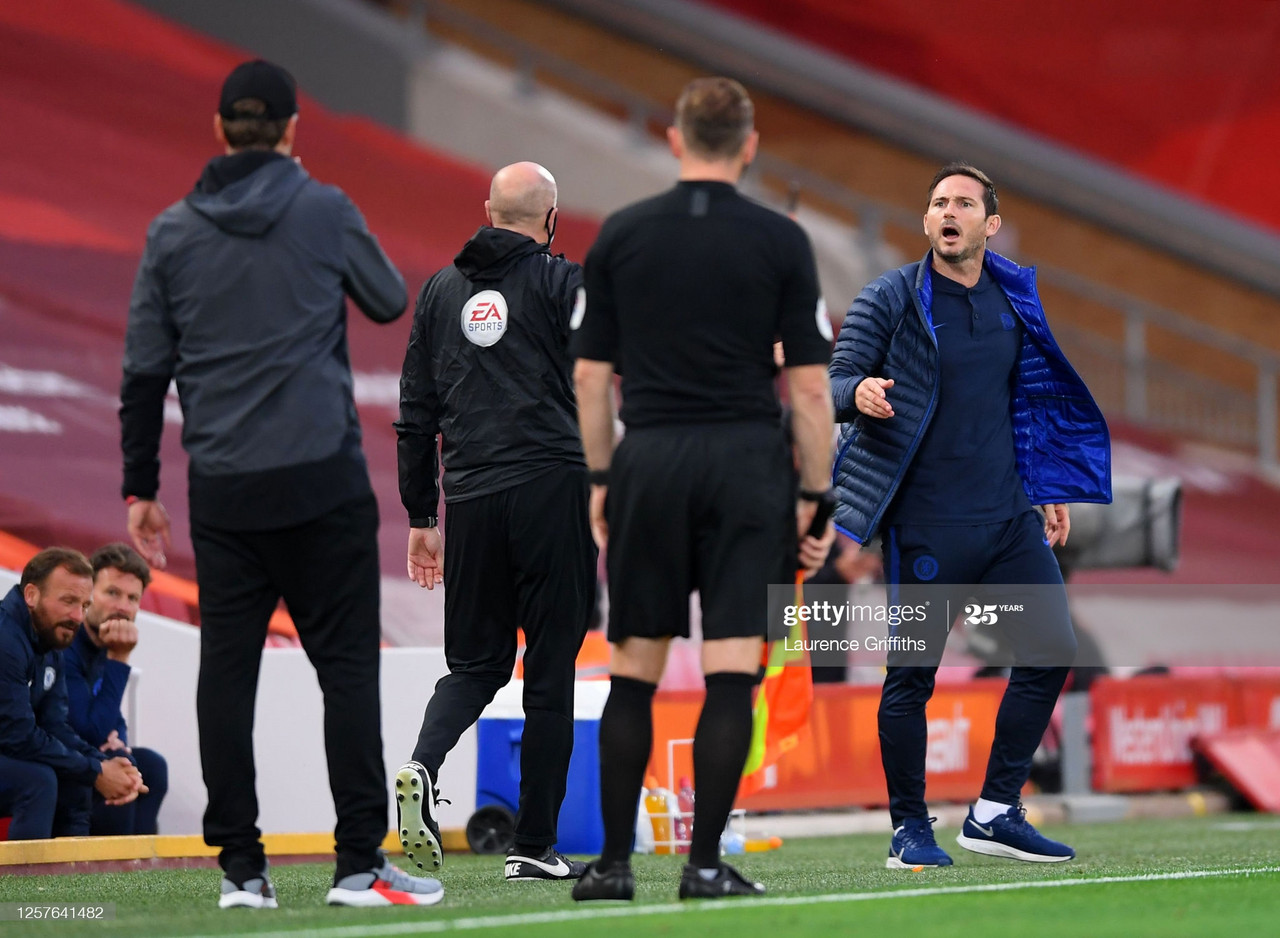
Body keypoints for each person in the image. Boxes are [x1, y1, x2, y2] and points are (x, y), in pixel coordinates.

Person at [119, 59, 441, 908]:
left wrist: (139, 487)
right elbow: (386, 297)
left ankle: (241, 873)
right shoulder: (323, 207)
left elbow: (144, 373)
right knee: (345, 673)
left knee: (227, 675)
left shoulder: (172, 230)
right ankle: (356, 867)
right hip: (320, 482)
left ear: (220, 130)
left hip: (224, 489)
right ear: (294, 130)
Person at [569, 77, 836, 901]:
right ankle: (705, 866)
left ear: (676, 140)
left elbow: (587, 377)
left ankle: (612, 868)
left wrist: (604, 476)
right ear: (749, 146)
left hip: (648, 458)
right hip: (746, 467)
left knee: (634, 670)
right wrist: (815, 496)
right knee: (731, 673)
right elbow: (812, 390)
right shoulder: (782, 241)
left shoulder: (620, 234)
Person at [829, 162, 1111, 868]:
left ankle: (993, 811)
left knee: (1052, 651)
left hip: (1010, 518)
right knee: (910, 678)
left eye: (962, 203)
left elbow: (1032, 399)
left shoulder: (1015, 296)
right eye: (936, 203)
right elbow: (831, 381)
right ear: (926, 222)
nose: (946, 212)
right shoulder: (889, 297)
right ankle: (908, 828)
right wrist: (858, 390)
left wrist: (1047, 483)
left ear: (990, 224)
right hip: (926, 526)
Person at [393, 161, 596, 882]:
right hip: (550, 489)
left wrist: (422, 513)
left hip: (470, 501)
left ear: (487, 210)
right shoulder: (564, 283)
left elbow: (414, 412)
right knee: (548, 672)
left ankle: (421, 763)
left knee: (476, 664)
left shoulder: (443, 290)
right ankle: (533, 846)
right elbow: (607, 371)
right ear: (551, 218)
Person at [0, 548, 145, 839]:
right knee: (38, 781)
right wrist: (96, 770)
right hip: (10, 748)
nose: (77, 616)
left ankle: (77, 882)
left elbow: (56, 726)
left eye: (84, 604)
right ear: (31, 595)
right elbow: (18, 736)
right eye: (68, 601)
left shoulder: (50, 640)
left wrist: (103, 766)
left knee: (77, 779)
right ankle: (26, 886)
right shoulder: (6, 639)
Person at [63, 543, 169, 835]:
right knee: (121, 765)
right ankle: (108, 876)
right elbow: (88, 730)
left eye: (133, 597)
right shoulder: (66, 643)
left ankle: (141, 871)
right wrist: (120, 659)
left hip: (87, 752)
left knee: (152, 766)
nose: (123, 606)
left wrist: (119, 740)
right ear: (88, 594)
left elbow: (112, 718)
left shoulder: (104, 645)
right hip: (56, 757)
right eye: (112, 593)